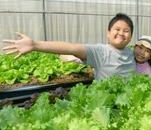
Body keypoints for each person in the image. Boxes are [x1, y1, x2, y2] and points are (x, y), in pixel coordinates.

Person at [2, 13, 136, 80]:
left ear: (130, 36)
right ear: (108, 33)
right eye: (117, 29)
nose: (121, 33)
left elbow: (149, 53)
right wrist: (35, 44)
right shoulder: (100, 51)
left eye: (126, 31)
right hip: (108, 106)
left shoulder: (131, 53)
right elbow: (72, 48)